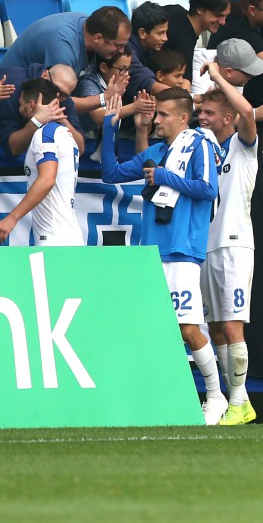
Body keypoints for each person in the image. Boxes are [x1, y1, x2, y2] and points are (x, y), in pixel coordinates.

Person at [100, 87, 225, 424]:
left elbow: (208, 189)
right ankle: (162, 400)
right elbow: (112, 174)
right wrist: (110, 127)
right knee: (156, 328)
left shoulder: (199, 145)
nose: (156, 120)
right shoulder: (155, 150)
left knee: (187, 329)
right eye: (157, 115)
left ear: (184, 117)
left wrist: (166, 176)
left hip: (183, 248)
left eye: (164, 115)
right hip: (154, 248)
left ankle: (216, 396)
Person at [196, 40, 263, 426]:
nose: (203, 117)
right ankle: (230, 400)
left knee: (232, 325)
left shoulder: (242, 146)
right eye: (201, 111)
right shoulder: (201, 149)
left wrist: (216, 74)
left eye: (210, 113)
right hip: (207, 247)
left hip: (234, 245)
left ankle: (240, 401)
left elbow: (247, 110)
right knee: (215, 326)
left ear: (228, 118)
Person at [0, 79, 83, 246]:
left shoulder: (45, 133)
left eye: (21, 104)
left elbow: (47, 179)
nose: (19, 109)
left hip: (54, 239)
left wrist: (12, 217)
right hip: (68, 234)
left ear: (32, 105)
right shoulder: (66, 133)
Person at [0, 6, 130, 76]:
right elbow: (57, 99)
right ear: (98, 38)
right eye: (118, 46)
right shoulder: (62, 45)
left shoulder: (87, 23)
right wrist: (103, 99)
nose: (121, 50)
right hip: (14, 92)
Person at [1, 64, 86, 159]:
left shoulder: (64, 100)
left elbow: (80, 149)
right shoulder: (10, 89)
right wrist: (37, 121)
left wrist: (62, 119)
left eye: (63, 94)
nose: (56, 96)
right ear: (45, 75)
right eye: (56, 88)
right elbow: (12, 149)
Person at [161, 0, 231, 86]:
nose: (223, 22)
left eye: (226, 16)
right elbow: (183, 84)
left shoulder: (174, 11)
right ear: (200, 9)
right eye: (218, 15)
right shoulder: (183, 41)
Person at [126, 2, 168, 98]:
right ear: (142, 33)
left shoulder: (151, 47)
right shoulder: (126, 52)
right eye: (160, 33)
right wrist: (187, 96)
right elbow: (152, 86)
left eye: (165, 32)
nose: (165, 38)